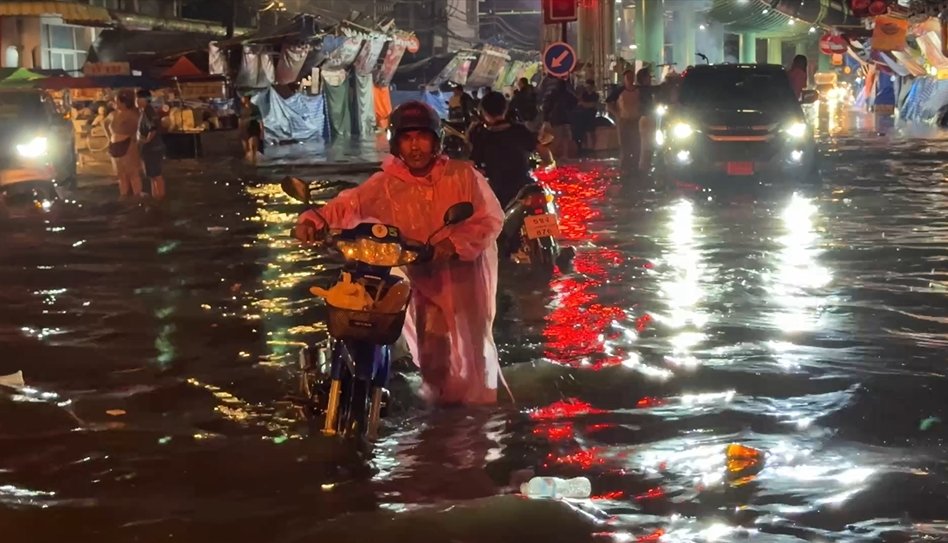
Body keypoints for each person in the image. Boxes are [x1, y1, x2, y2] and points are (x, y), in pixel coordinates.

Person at [293, 101, 505, 405]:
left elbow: (490, 219)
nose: (415, 146)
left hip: (463, 280)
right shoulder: (388, 183)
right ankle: (441, 419)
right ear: (397, 142)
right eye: (407, 138)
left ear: (436, 141)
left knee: (472, 353)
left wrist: (453, 244)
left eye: (422, 137)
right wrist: (314, 220)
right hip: (421, 278)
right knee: (432, 357)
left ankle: (477, 420)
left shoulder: (463, 176)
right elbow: (349, 205)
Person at [469, 91, 538, 208]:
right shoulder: (520, 130)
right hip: (526, 189)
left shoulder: (481, 135)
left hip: (499, 193)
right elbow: (545, 153)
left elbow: (473, 165)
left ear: (483, 112)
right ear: (505, 109)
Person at [606, 68, 653, 173]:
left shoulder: (638, 90)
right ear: (624, 79)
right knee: (625, 145)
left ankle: (635, 166)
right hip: (624, 121)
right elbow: (608, 103)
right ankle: (624, 167)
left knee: (636, 144)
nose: (630, 79)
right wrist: (617, 114)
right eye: (628, 77)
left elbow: (646, 100)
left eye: (632, 77)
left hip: (636, 120)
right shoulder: (619, 91)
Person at [107, 90, 142, 198]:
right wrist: (109, 137)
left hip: (128, 145)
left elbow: (140, 127)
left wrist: (135, 138)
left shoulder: (132, 115)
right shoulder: (113, 114)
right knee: (121, 175)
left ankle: (137, 196)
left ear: (124, 102)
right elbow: (104, 123)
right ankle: (124, 196)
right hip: (114, 146)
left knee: (132, 174)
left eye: (117, 101)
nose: (115, 103)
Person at [136, 90, 166, 199]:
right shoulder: (146, 111)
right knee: (153, 176)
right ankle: (156, 197)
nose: (136, 101)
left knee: (156, 175)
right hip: (152, 147)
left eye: (138, 98)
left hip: (152, 148)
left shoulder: (148, 111)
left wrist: (146, 141)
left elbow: (153, 128)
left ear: (143, 99)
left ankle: (160, 197)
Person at [542, 78, 578, 160]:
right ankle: (564, 155)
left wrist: (546, 118)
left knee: (557, 138)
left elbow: (547, 106)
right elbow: (575, 102)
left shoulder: (553, 94)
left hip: (556, 118)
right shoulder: (568, 94)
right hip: (566, 118)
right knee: (565, 138)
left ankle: (552, 155)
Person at [572, 78, 599, 154]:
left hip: (591, 116)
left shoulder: (595, 95)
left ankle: (593, 148)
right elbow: (579, 102)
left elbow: (592, 105)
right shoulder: (584, 94)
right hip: (583, 116)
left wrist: (583, 104)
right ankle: (586, 148)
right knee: (584, 133)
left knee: (591, 132)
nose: (588, 87)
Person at [238, 94, 264, 165]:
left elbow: (260, 118)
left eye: (242, 97)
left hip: (253, 126)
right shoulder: (242, 108)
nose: (241, 99)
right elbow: (240, 119)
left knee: (253, 145)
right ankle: (251, 160)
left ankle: (254, 160)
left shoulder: (254, 107)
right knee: (248, 147)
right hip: (246, 127)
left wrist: (262, 130)